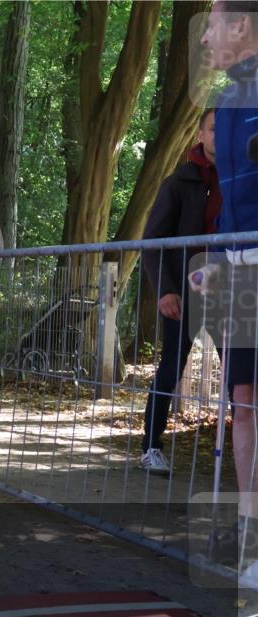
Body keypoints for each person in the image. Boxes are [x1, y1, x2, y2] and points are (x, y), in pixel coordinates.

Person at [196, 0, 258, 585]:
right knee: (244, 400)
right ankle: (251, 536)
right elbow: (235, 197)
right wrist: (218, 259)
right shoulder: (231, 98)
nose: (206, 34)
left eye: (212, 22)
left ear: (241, 25)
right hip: (241, 272)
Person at [140, 109, 222, 475]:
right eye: (214, 129)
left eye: (226, 130)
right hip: (184, 291)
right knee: (172, 367)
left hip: (231, 293)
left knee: (243, 373)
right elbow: (153, 242)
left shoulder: (242, 180)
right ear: (201, 134)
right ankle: (151, 447)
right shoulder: (177, 183)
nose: (220, 136)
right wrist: (166, 290)